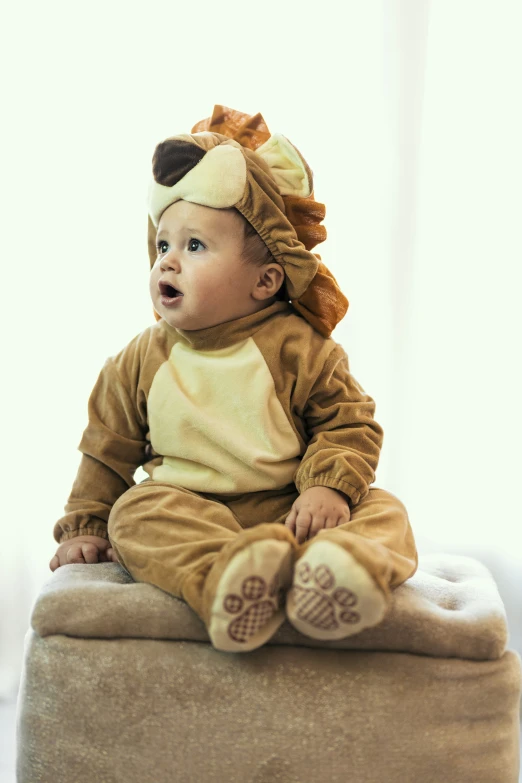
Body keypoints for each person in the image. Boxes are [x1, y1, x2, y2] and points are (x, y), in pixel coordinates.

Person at [49, 105, 418, 653]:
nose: (168, 263)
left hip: (290, 510)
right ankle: (228, 581)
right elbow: (106, 452)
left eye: (194, 246)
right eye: (163, 245)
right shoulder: (138, 360)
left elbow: (349, 422)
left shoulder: (300, 348)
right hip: (191, 511)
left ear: (265, 280)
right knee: (136, 513)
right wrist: (85, 525)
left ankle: (338, 573)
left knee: (383, 509)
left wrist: (326, 487)